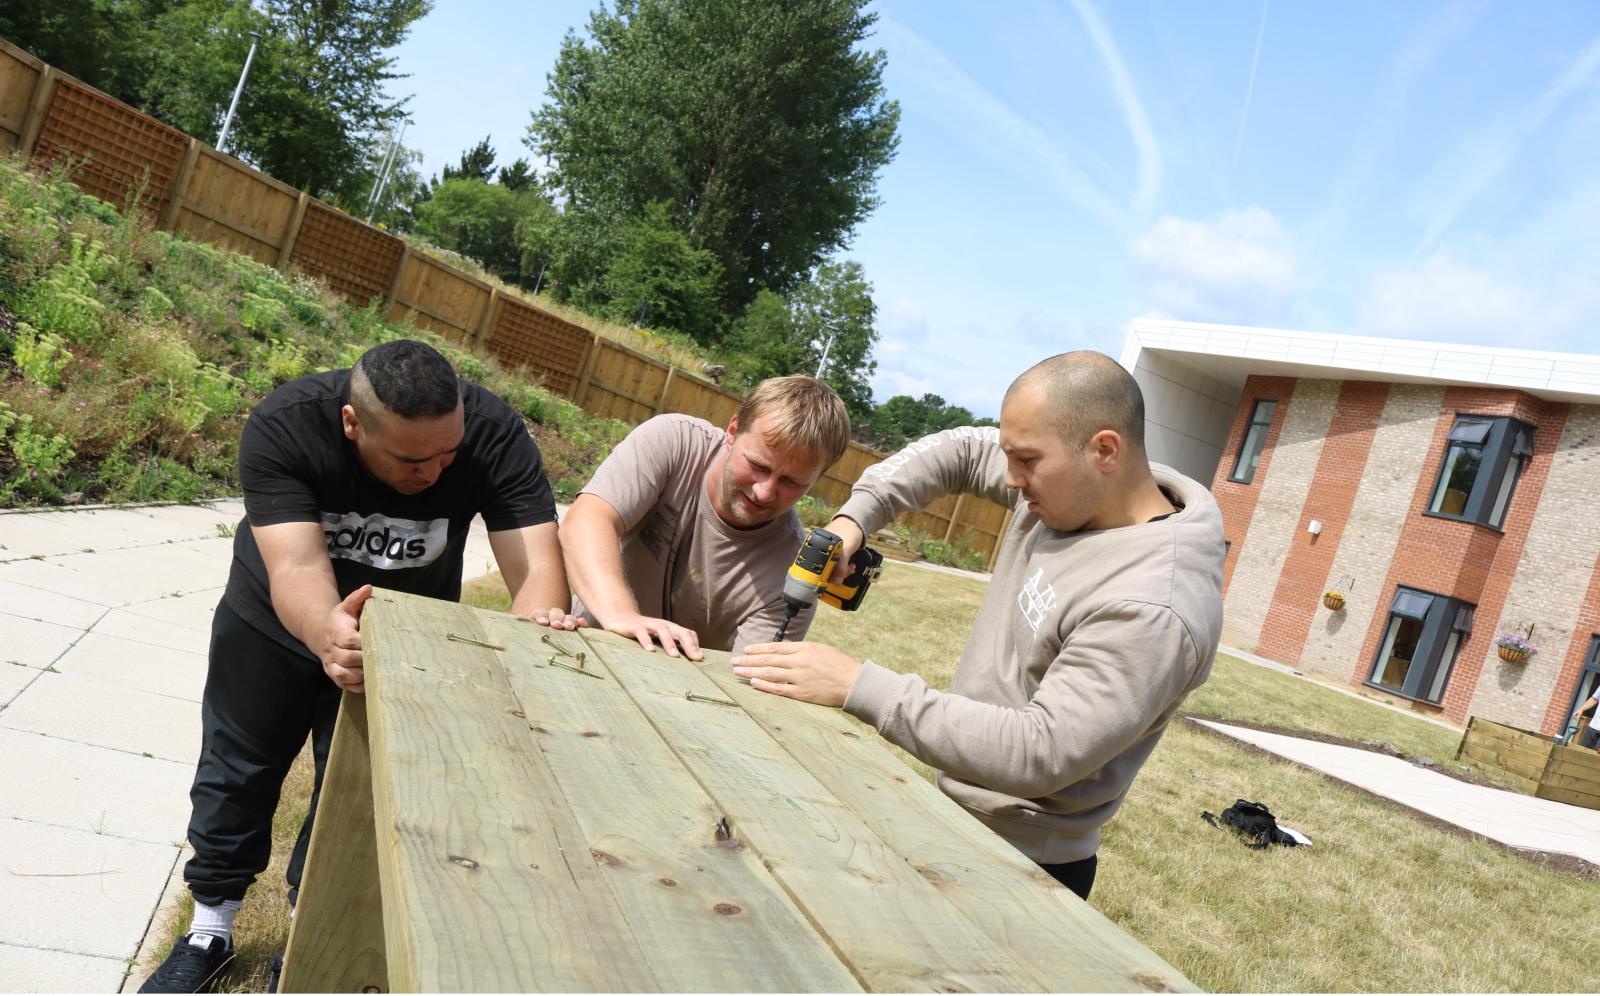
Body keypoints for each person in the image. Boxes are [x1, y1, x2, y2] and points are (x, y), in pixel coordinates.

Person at [139, 339, 579, 993]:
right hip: (275, 626)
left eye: (446, 455)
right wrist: (329, 633)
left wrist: (532, 643)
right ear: (352, 423)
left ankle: (309, 934)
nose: (433, 474)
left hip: (405, 638)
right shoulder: (287, 424)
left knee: (356, 797)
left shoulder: (491, 432)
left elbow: (539, 568)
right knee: (239, 772)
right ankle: (210, 932)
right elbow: (294, 568)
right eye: (410, 458)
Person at [730, 351, 1225, 901]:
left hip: (1023, 870)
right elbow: (960, 451)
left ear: (1105, 450)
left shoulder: (1156, 604)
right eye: (1010, 456)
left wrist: (858, 686)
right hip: (951, 818)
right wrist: (855, 519)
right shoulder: (1073, 486)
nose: (1011, 480)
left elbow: (1042, 751)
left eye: (1027, 461)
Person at [559, 375, 851, 658]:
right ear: (733, 431)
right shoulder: (674, 441)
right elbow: (586, 520)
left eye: (792, 482)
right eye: (758, 465)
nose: (764, 492)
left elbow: (746, 687)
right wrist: (622, 616)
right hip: (586, 648)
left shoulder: (791, 580)